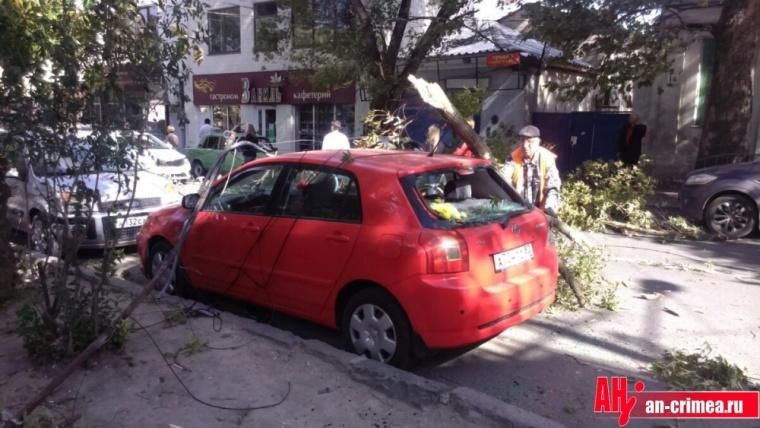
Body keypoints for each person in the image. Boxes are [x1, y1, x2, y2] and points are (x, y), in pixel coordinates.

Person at [503, 125, 561, 212]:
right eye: (522, 141)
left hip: (541, 210)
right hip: (517, 209)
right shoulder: (513, 157)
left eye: (530, 142)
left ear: (538, 142)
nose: (525, 145)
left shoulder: (547, 158)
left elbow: (553, 186)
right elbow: (504, 179)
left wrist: (550, 207)